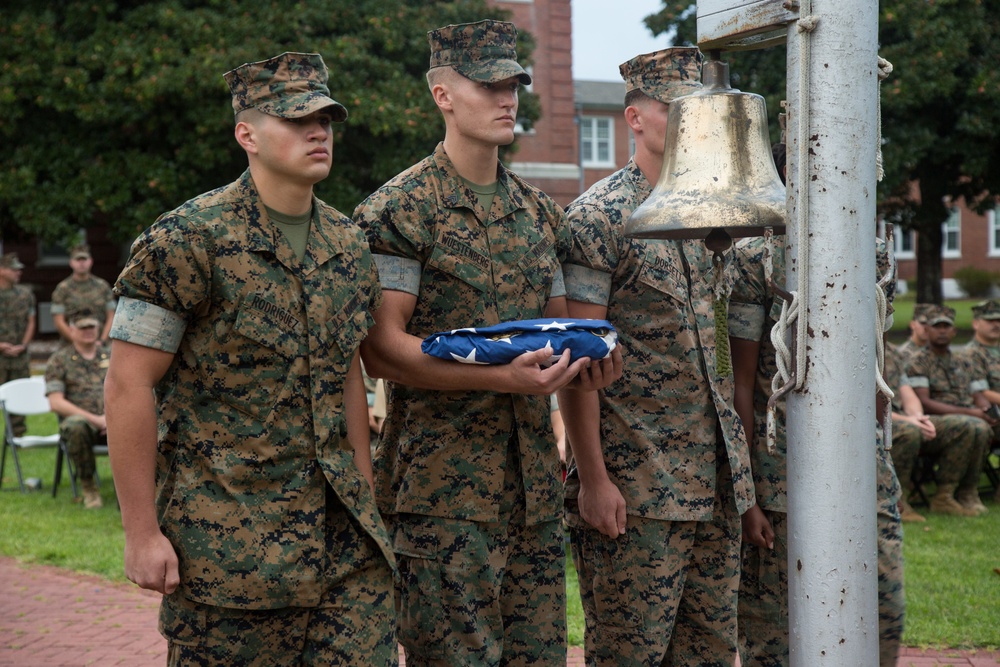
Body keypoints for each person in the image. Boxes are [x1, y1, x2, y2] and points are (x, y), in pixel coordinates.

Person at [104, 52, 397, 665]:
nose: (318, 133)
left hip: (345, 553)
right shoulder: (188, 239)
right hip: (230, 554)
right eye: (296, 120)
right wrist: (140, 534)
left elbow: (348, 371)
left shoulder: (346, 245)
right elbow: (128, 385)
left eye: (326, 120)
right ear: (247, 134)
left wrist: (364, 490)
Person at [354, 19, 622, 666]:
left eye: (515, 85)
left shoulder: (538, 214)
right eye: (490, 85)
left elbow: (558, 328)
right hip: (440, 501)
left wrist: (589, 358)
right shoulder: (400, 211)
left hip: (531, 494)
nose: (509, 99)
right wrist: (501, 379)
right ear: (443, 95)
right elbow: (383, 349)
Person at [558, 48, 754, 666]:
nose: (689, 125)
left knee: (713, 656)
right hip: (637, 489)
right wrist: (593, 479)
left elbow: (720, 354)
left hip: (714, 484)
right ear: (634, 119)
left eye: (698, 112)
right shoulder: (600, 218)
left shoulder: (717, 217)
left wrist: (741, 484)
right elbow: (578, 361)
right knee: (630, 656)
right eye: (673, 111)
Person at [729, 142, 905, 666]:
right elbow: (736, 381)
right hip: (781, 482)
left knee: (883, 618)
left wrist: (882, 460)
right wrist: (748, 495)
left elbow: (877, 361)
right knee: (773, 639)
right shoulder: (752, 259)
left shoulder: (872, 253)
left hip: (862, 473)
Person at [906, 304, 991, 516]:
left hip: (970, 418)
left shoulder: (963, 361)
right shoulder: (918, 361)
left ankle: (967, 491)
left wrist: (986, 409)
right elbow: (924, 401)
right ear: (927, 331)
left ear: (954, 331)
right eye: (937, 326)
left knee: (982, 427)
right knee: (972, 426)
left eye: (947, 327)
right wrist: (972, 413)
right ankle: (944, 493)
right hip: (934, 419)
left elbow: (977, 394)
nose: (942, 331)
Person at [44, 309, 109, 509]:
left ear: (99, 328)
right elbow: (56, 402)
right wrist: (97, 420)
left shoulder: (114, 356)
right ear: (72, 331)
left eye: (92, 326)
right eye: (83, 327)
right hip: (84, 426)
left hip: (115, 422)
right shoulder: (59, 360)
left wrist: (113, 418)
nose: (88, 331)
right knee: (75, 425)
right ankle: (89, 487)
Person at [50, 244, 116, 345]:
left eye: (84, 260)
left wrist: (102, 341)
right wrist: (77, 342)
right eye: (78, 260)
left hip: (100, 345)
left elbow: (111, 316)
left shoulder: (103, 286)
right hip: (71, 346)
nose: (81, 263)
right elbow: (59, 321)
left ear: (91, 261)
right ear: (71, 263)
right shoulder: (62, 289)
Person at [0, 252, 35, 438]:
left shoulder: (24, 294)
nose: (18, 272)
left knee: (19, 392)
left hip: (19, 353)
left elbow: (31, 321)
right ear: (1, 270)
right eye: (14, 269)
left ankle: (17, 435)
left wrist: (23, 345)